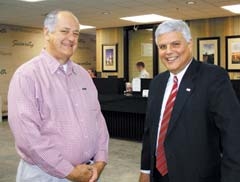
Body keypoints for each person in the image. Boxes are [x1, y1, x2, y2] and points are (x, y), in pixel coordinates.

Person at [8, 10, 109, 182]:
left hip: (88, 172)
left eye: (76, 33)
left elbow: (98, 119)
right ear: (47, 33)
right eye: (65, 31)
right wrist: (69, 172)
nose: (71, 38)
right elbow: (29, 139)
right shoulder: (27, 76)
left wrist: (100, 161)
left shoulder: (83, 75)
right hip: (45, 175)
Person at [139, 20, 240, 182]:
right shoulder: (157, 83)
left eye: (175, 44)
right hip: (158, 175)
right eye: (162, 47)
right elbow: (151, 131)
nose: (168, 51)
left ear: (189, 44)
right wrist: (145, 170)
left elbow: (234, 134)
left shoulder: (213, 77)